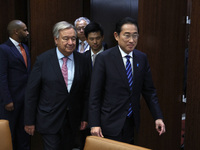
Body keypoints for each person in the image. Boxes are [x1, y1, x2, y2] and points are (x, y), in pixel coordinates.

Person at [89, 17, 166, 144]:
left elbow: (149, 91)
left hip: (131, 121)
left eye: (135, 35)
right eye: (127, 35)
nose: (131, 40)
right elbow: (94, 94)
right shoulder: (104, 58)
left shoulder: (142, 58)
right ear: (116, 36)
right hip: (109, 122)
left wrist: (158, 116)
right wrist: (94, 124)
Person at [24, 21, 90, 150]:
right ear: (56, 40)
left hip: (73, 120)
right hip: (49, 119)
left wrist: (85, 117)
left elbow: (86, 92)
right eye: (66, 39)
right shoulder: (43, 60)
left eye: (73, 38)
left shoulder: (83, 60)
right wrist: (29, 121)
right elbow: (31, 93)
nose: (70, 43)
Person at [0, 20, 31, 150]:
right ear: (15, 31)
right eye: (24, 30)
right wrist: (7, 100)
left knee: (24, 134)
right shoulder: (3, 49)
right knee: (9, 134)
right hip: (11, 101)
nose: (27, 32)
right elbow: (2, 76)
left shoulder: (25, 47)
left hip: (25, 99)